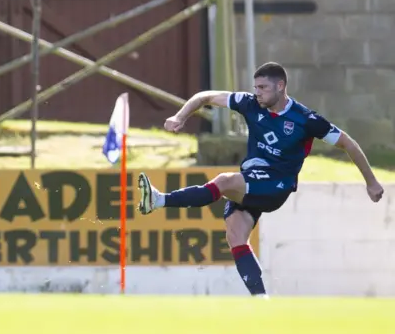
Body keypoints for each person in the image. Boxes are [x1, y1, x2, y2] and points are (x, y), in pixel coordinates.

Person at [137, 62, 384, 298]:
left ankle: (159, 200)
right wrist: (181, 116)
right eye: (255, 88)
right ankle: (261, 300)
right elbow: (204, 96)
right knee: (235, 236)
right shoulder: (250, 104)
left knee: (224, 181)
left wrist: (371, 182)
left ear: (280, 86)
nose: (257, 93)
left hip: (277, 185)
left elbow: (348, 144)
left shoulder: (306, 119)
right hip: (252, 179)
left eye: (263, 88)